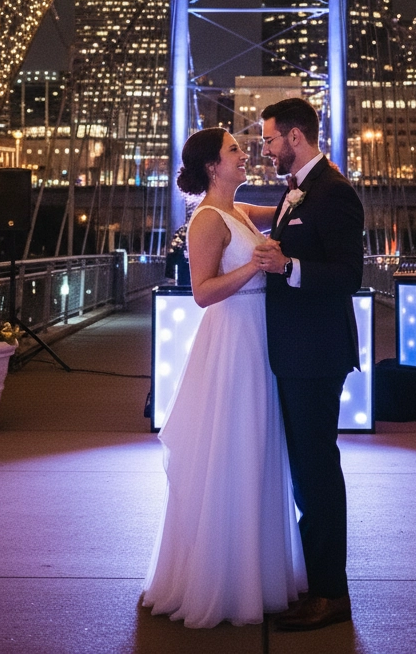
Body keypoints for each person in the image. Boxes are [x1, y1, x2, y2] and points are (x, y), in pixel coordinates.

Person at [143, 127, 306, 628]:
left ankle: (257, 571)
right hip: (232, 338)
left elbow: (285, 209)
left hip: (258, 340)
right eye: (235, 149)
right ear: (213, 166)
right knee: (232, 449)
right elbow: (202, 291)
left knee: (257, 448)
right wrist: (255, 267)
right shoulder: (207, 219)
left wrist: (308, 182)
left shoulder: (239, 210)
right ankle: (221, 582)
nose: (244, 154)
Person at [254, 97, 364, 632]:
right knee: (306, 472)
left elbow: (348, 275)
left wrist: (287, 265)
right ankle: (316, 583)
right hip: (297, 352)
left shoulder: (335, 193)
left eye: (271, 139)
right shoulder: (298, 191)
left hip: (317, 355)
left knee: (317, 471)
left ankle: (330, 592)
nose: (266, 149)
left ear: (296, 137)